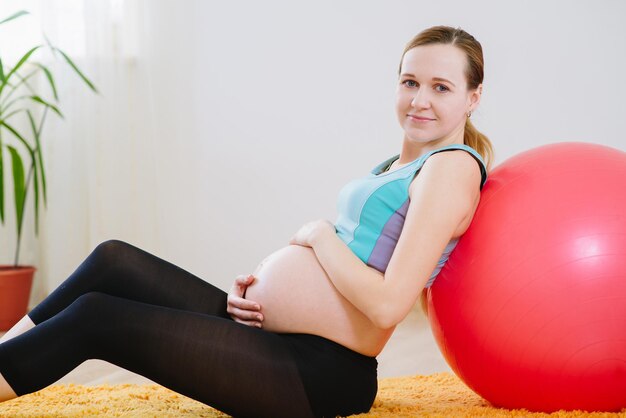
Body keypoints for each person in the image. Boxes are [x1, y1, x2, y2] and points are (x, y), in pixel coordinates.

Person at [0, 25, 493, 418]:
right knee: (114, 260)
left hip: (318, 374)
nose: (419, 99)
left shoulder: (451, 168)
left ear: (472, 98)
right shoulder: (398, 164)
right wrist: (267, 294)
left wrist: (319, 237)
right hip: (274, 336)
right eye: (410, 82)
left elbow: (388, 305)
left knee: (97, 317)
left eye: (441, 87)